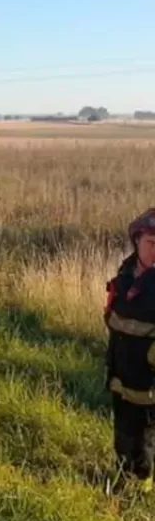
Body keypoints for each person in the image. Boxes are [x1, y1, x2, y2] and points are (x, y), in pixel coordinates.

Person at [104, 208, 155, 493]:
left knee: (146, 438)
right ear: (137, 241)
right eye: (151, 243)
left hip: (149, 384)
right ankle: (122, 475)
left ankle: (142, 487)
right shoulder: (125, 273)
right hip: (120, 374)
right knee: (123, 431)